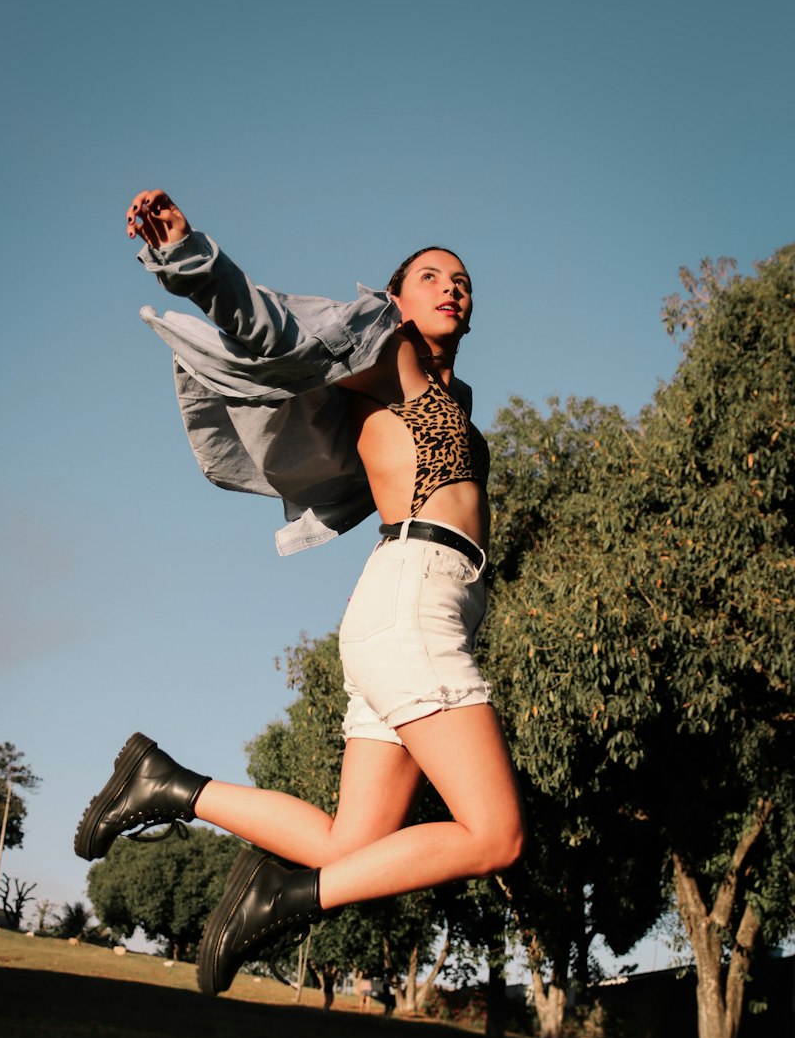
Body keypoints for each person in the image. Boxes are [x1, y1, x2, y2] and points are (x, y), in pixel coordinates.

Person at [75, 190, 525, 997]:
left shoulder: (452, 398)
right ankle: (287, 895)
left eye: (463, 280)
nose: (453, 286)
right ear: (396, 300)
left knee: (349, 841)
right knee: (494, 834)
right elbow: (274, 326)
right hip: (412, 598)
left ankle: (168, 784)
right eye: (431, 275)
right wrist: (189, 256)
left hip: (412, 604)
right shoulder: (390, 357)